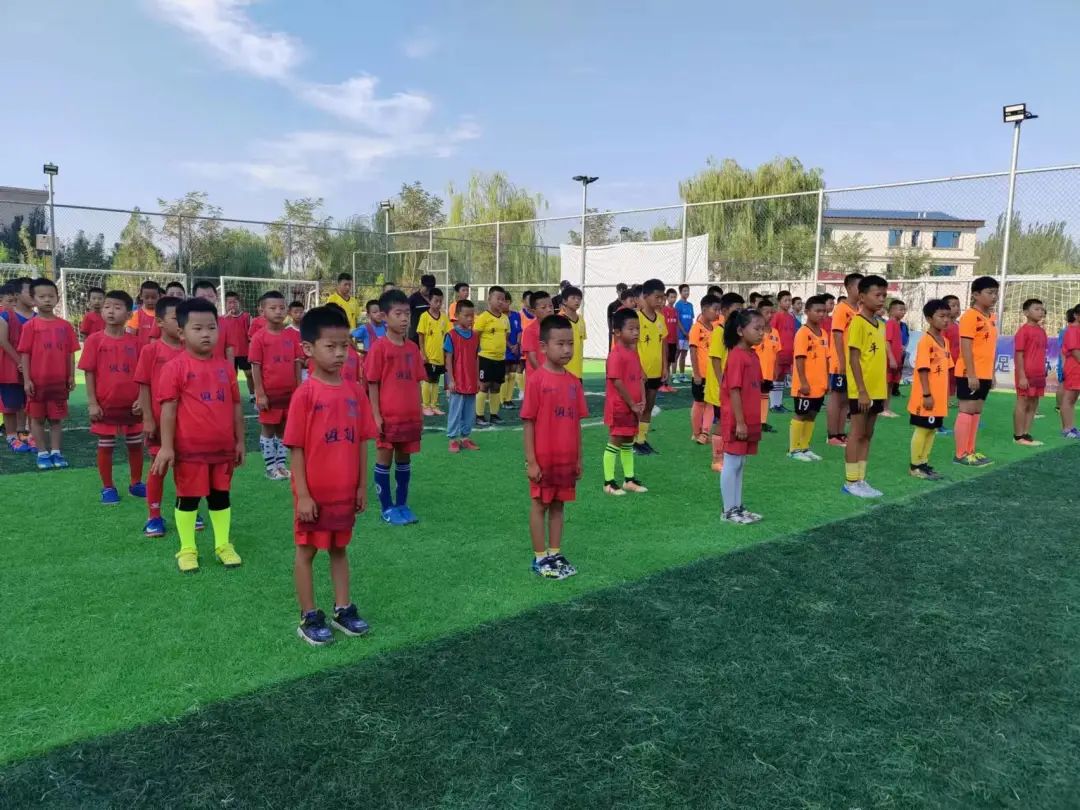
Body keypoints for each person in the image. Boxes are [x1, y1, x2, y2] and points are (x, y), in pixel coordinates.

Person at [286, 305, 378, 646]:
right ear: (308, 349)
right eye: (331, 346)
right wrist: (303, 494)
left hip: (344, 492)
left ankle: (343, 608)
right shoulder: (305, 394)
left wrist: (361, 486)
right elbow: (296, 448)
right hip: (314, 494)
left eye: (345, 345)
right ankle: (309, 615)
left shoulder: (354, 391)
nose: (340, 353)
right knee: (307, 551)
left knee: (340, 549)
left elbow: (361, 442)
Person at [151, 297, 245, 573]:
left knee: (220, 496)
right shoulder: (175, 368)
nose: (206, 334)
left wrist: (240, 441)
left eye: (212, 328)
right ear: (182, 333)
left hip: (222, 449)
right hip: (189, 451)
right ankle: (187, 548)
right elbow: (168, 411)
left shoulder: (226, 367)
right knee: (188, 498)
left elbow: (236, 406)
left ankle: (223, 545)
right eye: (198, 328)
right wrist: (166, 447)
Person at [522, 314, 588, 579]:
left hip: (566, 459)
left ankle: (555, 552)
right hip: (544, 458)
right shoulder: (537, 380)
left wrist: (578, 459)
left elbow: (576, 424)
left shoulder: (573, 382)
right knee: (540, 504)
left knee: (560, 504)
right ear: (543, 346)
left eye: (570, 343)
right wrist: (531, 461)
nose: (567, 349)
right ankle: (540, 558)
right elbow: (528, 422)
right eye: (560, 344)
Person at [78, 290, 146, 504]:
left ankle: (136, 483)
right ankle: (108, 487)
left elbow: (144, 375)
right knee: (105, 446)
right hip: (105, 405)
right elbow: (89, 372)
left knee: (135, 444)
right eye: (107, 306)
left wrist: (142, 399)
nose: (110, 311)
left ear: (129, 314)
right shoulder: (94, 340)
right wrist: (92, 403)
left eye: (117, 307)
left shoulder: (137, 343)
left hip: (132, 406)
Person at [366, 288, 425, 526]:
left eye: (407, 314)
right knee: (384, 461)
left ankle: (402, 504)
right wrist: (376, 415)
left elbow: (417, 382)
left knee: (404, 461)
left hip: (409, 417)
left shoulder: (412, 348)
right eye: (398, 314)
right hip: (388, 417)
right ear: (384, 317)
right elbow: (372, 383)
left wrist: (420, 410)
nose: (404, 319)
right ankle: (386, 508)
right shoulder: (379, 348)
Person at [135, 296, 186, 537]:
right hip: (159, 421)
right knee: (158, 466)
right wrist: (147, 418)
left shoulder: (192, 350)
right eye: (176, 318)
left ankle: (187, 510)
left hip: (188, 423)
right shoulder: (151, 350)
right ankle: (154, 516)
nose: (181, 322)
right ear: (160, 322)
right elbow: (144, 385)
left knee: (186, 469)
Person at [18, 278, 78, 470]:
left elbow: (70, 353)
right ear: (33, 299)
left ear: (57, 298)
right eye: (42, 296)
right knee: (36, 419)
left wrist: (71, 375)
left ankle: (56, 452)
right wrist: (27, 380)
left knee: (55, 419)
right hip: (37, 383)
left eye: (51, 296)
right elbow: (25, 354)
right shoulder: (30, 326)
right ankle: (42, 453)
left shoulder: (65, 326)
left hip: (58, 383)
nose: (47, 300)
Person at [842, 275, 889, 498]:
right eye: (877, 295)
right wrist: (861, 390)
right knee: (857, 433)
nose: (881, 299)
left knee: (868, 434)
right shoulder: (857, 322)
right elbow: (854, 358)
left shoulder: (881, 325)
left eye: (884, 295)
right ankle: (851, 481)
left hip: (877, 389)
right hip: (861, 391)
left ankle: (861, 479)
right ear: (862, 297)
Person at [249, 291, 304, 480]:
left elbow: (297, 364)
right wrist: (260, 393)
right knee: (268, 429)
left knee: (283, 430)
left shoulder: (292, 336)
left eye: (282, 307)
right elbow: (255, 366)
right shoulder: (259, 338)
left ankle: (281, 465)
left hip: (289, 394)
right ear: (262, 311)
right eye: (273, 308)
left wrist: (299, 389)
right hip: (269, 395)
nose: (278, 311)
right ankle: (270, 467)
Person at [719, 309, 765, 524]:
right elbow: (734, 390)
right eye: (757, 328)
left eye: (763, 328)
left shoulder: (752, 355)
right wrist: (740, 422)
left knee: (740, 462)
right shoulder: (737, 355)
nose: (761, 333)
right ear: (740, 331)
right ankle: (729, 510)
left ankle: (737, 507)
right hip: (737, 419)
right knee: (732, 462)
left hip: (748, 418)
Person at [953, 276, 1000, 466]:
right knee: (966, 410)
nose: (994, 296)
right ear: (975, 295)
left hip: (984, 373)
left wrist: (992, 373)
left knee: (976, 411)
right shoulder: (970, 316)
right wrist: (971, 374)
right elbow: (966, 346)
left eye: (996, 293)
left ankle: (971, 450)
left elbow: (990, 348)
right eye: (990, 293)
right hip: (969, 372)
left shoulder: (991, 317)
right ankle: (960, 454)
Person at [604, 308, 648, 496]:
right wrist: (632, 403)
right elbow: (617, 382)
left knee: (629, 441)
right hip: (620, 407)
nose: (636, 332)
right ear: (617, 332)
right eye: (631, 329)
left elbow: (639, 378)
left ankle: (629, 480)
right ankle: (608, 482)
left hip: (633, 406)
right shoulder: (616, 354)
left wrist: (642, 399)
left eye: (638, 328)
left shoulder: (633, 353)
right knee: (615, 441)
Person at [908, 299, 953, 481]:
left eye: (948, 316)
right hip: (926, 396)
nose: (946, 320)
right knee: (922, 429)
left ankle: (924, 463)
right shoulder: (926, 341)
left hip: (939, 397)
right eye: (941, 316)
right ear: (929, 319)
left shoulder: (945, 341)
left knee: (932, 429)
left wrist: (946, 395)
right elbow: (923, 369)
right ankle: (915, 466)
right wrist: (926, 394)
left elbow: (946, 370)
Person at [705, 292, 745, 472]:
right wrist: (723, 381)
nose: (740, 313)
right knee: (722, 420)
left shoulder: (735, 332)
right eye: (736, 309)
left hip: (730, 385)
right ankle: (716, 460)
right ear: (725, 310)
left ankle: (725, 455)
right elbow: (715, 359)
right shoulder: (719, 331)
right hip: (720, 386)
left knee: (728, 420)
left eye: (741, 309)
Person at [789, 295, 829, 462]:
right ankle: (793, 449)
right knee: (801, 414)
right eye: (817, 311)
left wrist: (827, 380)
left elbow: (827, 358)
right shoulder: (803, 333)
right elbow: (799, 358)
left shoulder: (824, 333)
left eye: (823, 311)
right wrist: (803, 382)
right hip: (805, 385)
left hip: (819, 384)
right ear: (807, 312)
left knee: (812, 415)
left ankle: (805, 447)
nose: (821, 314)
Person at [827, 273, 864, 446]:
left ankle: (841, 433)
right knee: (837, 398)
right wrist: (842, 361)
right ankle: (832, 435)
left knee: (846, 400)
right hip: (841, 362)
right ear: (849, 288)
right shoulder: (842, 309)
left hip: (854, 362)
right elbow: (837, 335)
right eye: (859, 287)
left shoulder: (859, 310)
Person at [0, 277, 35, 454]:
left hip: (31, 367)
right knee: (10, 403)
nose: (34, 294)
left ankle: (25, 433)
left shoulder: (37, 317)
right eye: (29, 291)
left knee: (28, 402)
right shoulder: (5, 316)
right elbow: (3, 341)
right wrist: (19, 361)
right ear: (17, 294)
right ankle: (11, 436)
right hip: (10, 366)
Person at [444, 299, 480, 453]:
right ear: (457, 315)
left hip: (471, 380)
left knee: (469, 411)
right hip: (457, 381)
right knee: (455, 410)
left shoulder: (475, 336)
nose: (470, 319)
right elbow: (448, 359)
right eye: (466, 316)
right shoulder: (451, 335)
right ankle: (453, 439)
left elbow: (476, 358)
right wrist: (451, 380)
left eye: (472, 315)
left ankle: (465, 438)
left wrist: (477, 379)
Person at [1013, 298, 1048, 446]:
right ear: (1026, 313)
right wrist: (1022, 376)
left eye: (1041, 309)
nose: (1040, 312)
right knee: (1023, 402)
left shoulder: (1042, 331)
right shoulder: (1023, 331)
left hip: (1039, 373)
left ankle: (1026, 433)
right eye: (1036, 309)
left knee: (1034, 403)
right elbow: (1019, 355)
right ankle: (1018, 436)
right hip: (1026, 373)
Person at [474, 286, 510, 427]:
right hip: (485, 358)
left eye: (503, 299)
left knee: (496, 386)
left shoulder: (505, 319)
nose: (501, 302)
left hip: (500, 359)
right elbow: (475, 337)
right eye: (498, 298)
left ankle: (494, 415)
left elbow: (506, 336)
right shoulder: (483, 317)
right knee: (484, 385)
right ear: (489, 299)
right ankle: (479, 415)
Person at [688, 293, 721, 445]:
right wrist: (696, 373)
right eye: (715, 309)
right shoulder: (696, 328)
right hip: (700, 374)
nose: (717, 313)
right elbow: (693, 351)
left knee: (710, 402)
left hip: (712, 374)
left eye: (719, 310)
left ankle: (705, 433)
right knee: (699, 402)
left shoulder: (715, 328)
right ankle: (696, 432)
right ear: (704, 309)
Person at [416, 287, 449, 417]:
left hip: (440, 356)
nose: (438, 304)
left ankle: (434, 405)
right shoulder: (424, 317)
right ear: (429, 301)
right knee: (427, 379)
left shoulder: (444, 318)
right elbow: (421, 336)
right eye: (436, 301)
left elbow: (447, 336)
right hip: (429, 356)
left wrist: (446, 354)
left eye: (440, 301)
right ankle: (425, 405)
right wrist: (422, 353)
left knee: (436, 381)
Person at [191, 280, 235, 363]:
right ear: (194, 299)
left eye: (210, 296)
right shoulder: (187, 323)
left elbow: (229, 349)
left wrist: (231, 369)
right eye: (202, 297)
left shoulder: (225, 322)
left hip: (219, 368)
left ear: (216, 297)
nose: (207, 299)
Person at [754, 298, 780, 434]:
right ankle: (751, 421)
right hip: (755, 372)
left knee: (765, 396)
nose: (770, 315)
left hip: (768, 372)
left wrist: (776, 369)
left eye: (772, 313)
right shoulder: (753, 331)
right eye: (766, 312)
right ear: (759, 313)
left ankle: (762, 422)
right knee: (753, 397)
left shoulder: (775, 332)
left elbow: (777, 352)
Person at [223, 291, 255, 402]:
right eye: (229, 302)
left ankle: (252, 395)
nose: (232, 305)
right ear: (226, 304)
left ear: (239, 303)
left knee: (249, 374)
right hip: (229, 353)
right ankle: (233, 397)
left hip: (244, 351)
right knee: (232, 376)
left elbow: (251, 335)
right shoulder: (223, 319)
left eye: (234, 302)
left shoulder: (247, 317)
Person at [769, 290, 797, 413]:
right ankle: (773, 405)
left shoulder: (791, 317)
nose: (788, 303)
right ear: (779, 302)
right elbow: (772, 333)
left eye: (790, 300)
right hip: (778, 352)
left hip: (788, 352)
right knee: (775, 376)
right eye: (785, 300)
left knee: (781, 378)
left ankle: (779, 404)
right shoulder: (776, 316)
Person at [883, 299, 907, 418]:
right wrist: (891, 358)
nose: (903, 312)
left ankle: (886, 408)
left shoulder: (898, 324)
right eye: (900, 309)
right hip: (890, 361)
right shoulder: (890, 323)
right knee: (887, 384)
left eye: (904, 310)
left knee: (891, 384)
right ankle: (883, 408)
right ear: (891, 311)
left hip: (896, 360)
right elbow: (887, 341)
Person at [1059, 305, 1080, 439]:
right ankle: (1067, 429)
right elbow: (1075, 352)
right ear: (1076, 315)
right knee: (1069, 398)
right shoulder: (1072, 330)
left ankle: (1071, 427)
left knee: (1072, 399)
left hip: (1076, 367)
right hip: (1074, 367)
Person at [522, 291, 553, 375]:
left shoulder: (556, 328)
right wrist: (544, 375)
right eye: (543, 307)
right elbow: (532, 359)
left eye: (551, 306)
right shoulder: (530, 330)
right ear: (533, 311)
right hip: (537, 376)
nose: (549, 310)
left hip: (552, 375)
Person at [502, 292, 524, 408]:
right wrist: (510, 346)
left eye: (506, 301)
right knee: (504, 374)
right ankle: (503, 400)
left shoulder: (516, 315)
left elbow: (519, 330)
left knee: (512, 373)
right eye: (502, 301)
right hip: (504, 349)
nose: (504, 303)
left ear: (510, 302)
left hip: (515, 348)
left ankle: (509, 399)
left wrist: (517, 344)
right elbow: (502, 334)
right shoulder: (500, 317)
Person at [125, 281, 161, 350]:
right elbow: (129, 337)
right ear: (141, 296)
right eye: (147, 297)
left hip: (159, 353)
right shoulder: (136, 315)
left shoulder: (163, 314)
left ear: (159, 296)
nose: (150, 300)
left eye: (153, 298)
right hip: (140, 353)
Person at [674, 283, 695, 383]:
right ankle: (674, 376)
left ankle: (682, 375)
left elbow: (691, 319)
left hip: (688, 335)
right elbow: (677, 320)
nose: (687, 292)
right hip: (680, 335)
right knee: (676, 355)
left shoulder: (690, 305)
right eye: (684, 291)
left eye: (688, 290)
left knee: (684, 355)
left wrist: (690, 332)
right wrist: (684, 332)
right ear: (680, 292)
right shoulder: (678, 305)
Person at [407, 274, 436, 343]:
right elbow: (406, 312)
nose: (429, 291)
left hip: (430, 334)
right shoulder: (413, 298)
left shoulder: (434, 299)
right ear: (421, 285)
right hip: (416, 335)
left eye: (431, 289)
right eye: (427, 288)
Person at [660, 288, 679, 392]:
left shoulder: (675, 311)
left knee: (669, 363)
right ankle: (661, 384)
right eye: (671, 297)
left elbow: (676, 326)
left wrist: (677, 340)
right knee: (664, 363)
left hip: (673, 340)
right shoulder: (663, 310)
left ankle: (667, 384)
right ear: (667, 298)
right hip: (665, 341)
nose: (673, 299)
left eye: (675, 297)